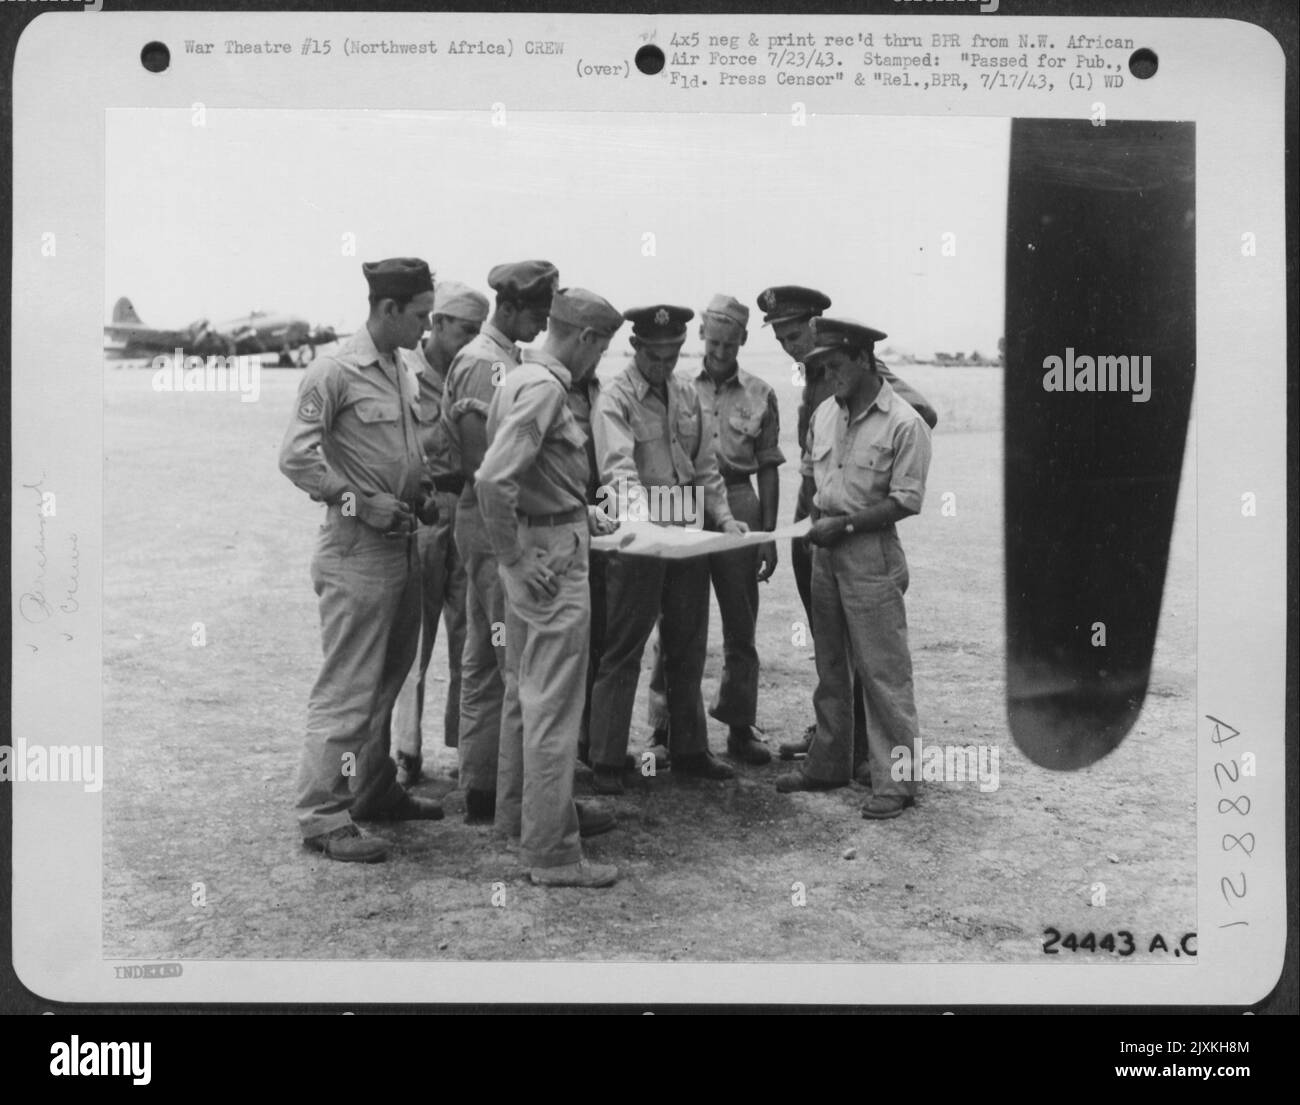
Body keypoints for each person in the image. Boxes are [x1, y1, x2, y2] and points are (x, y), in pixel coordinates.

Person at [280, 258, 445, 863]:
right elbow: (296, 460)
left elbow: (402, 451)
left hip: (399, 547)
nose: (426, 328)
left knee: (386, 679)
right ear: (389, 309)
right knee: (348, 688)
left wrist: (419, 490)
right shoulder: (334, 371)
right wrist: (360, 502)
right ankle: (322, 814)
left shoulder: (400, 369)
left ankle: (373, 790)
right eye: (421, 315)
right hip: (356, 551)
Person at [476, 288, 626, 887]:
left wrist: (577, 513)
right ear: (586, 339)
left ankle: (519, 820)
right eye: (603, 347)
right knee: (554, 711)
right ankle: (552, 854)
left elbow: (531, 473)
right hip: (549, 564)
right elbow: (492, 480)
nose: (600, 361)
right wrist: (512, 556)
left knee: (525, 697)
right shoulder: (544, 388)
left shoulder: (520, 377)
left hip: (549, 539)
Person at [755, 286, 938, 764]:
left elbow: (920, 419)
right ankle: (836, 746)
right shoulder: (817, 384)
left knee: (874, 658)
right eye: (780, 339)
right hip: (814, 525)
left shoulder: (871, 384)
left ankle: (878, 761)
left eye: (794, 334)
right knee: (829, 648)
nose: (790, 347)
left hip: (857, 534)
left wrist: (868, 475)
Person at [587, 304, 748, 795]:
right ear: (635, 348)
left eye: (672, 353)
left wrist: (723, 519)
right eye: (654, 354)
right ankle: (607, 758)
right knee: (623, 649)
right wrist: (646, 527)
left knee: (688, 645)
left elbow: (705, 468)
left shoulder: (684, 393)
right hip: (639, 538)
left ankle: (690, 750)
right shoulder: (615, 398)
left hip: (688, 534)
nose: (662, 363)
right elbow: (617, 471)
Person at [644, 294, 783, 767]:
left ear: (744, 339)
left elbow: (768, 466)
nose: (721, 350)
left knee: (740, 622)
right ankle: (664, 726)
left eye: (731, 342)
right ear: (702, 336)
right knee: (675, 619)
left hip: (739, 500)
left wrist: (766, 532)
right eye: (714, 340)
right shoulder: (677, 386)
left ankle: (740, 726)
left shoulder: (762, 394)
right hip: (685, 500)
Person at [442, 260, 558, 823]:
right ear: (508, 308)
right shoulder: (483, 365)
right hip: (491, 526)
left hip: (489, 522)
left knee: (486, 659)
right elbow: (476, 464)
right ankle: (507, 796)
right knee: (508, 661)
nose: (541, 325)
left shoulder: (507, 359)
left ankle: (486, 785)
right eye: (536, 314)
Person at [392, 281, 489, 787]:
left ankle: (465, 750)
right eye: (465, 330)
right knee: (414, 636)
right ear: (437, 324)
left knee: (469, 635)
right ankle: (405, 750)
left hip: (468, 509)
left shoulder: (474, 374)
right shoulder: (405, 375)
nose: (472, 340)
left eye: (478, 331)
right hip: (427, 515)